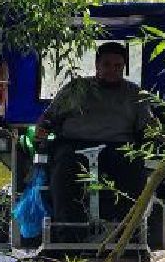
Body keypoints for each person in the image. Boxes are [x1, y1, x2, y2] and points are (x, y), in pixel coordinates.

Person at [38, 42, 152, 227]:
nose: (112, 70)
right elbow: (48, 118)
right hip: (74, 145)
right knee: (63, 166)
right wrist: (42, 129)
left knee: (134, 166)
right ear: (97, 65)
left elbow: (147, 128)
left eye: (117, 66)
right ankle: (67, 231)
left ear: (124, 67)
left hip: (118, 147)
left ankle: (128, 229)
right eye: (106, 65)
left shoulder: (135, 94)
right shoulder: (77, 88)